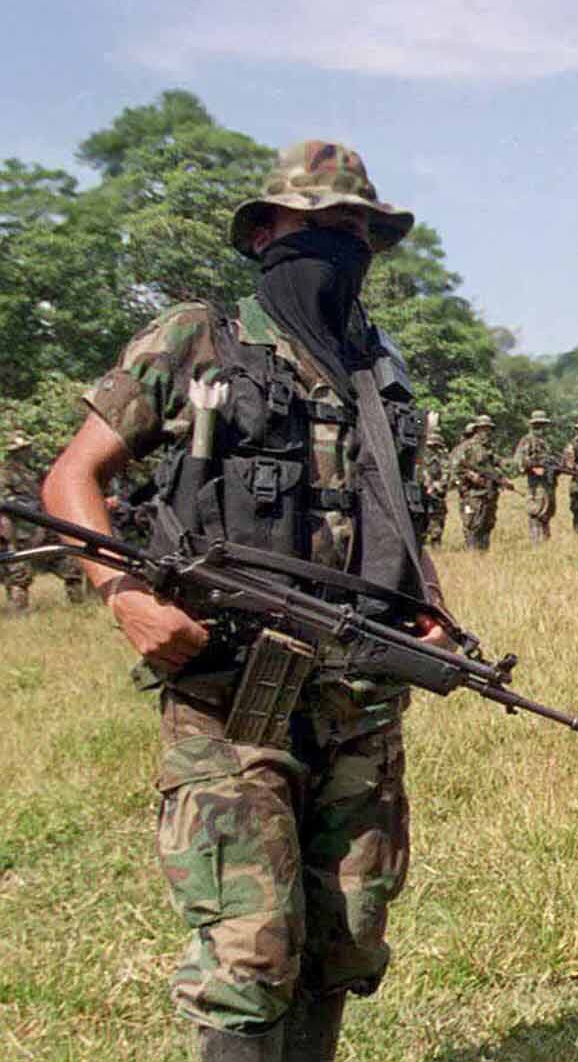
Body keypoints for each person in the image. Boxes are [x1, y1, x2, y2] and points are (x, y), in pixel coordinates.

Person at [38, 140, 452, 1062]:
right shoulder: (199, 339)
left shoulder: (378, 368)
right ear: (266, 233)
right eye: (322, 228)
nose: (344, 248)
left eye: (359, 232)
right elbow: (72, 478)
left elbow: (397, 517)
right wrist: (125, 596)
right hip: (231, 696)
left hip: (359, 701)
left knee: (343, 938)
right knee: (250, 952)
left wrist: (429, 611)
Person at [3, 430, 89, 612]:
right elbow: (4, 510)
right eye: (24, 448)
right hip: (19, 534)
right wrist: (9, 542)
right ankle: (18, 621)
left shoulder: (31, 473)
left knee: (71, 567)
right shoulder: (4, 475)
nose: (28, 451)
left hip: (42, 528)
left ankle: (81, 611)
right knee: (19, 576)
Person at [452, 415, 507, 551]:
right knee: (472, 525)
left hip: (489, 493)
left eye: (489, 429)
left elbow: (497, 466)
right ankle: (472, 557)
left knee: (487, 524)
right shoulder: (466, 447)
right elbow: (454, 468)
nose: (486, 432)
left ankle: (483, 556)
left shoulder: (489, 449)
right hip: (472, 494)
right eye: (483, 428)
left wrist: (501, 477)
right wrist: (471, 476)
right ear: (477, 429)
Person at [512, 410, 558, 545]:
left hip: (548, 483)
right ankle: (536, 544)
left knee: (547, 512)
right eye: (538, 425)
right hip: (536, 485)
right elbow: (518, 460)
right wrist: (533, 468)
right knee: (536, 512)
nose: (541, 428)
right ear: (532, 425)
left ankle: (546, 542)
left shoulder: (545, 441)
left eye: (543, 425)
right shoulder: (527, 440)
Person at [419, 429, 450, 547]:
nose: (433, 449)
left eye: (436, 446)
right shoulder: (420, 456)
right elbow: (418, 473)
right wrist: (428, 484)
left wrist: (439, 485)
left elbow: (447, 473)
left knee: (437, 522)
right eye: (431, 446)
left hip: (437, 495)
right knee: (421, 522)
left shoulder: (442, 457)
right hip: (423, 494)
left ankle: (436, 544)